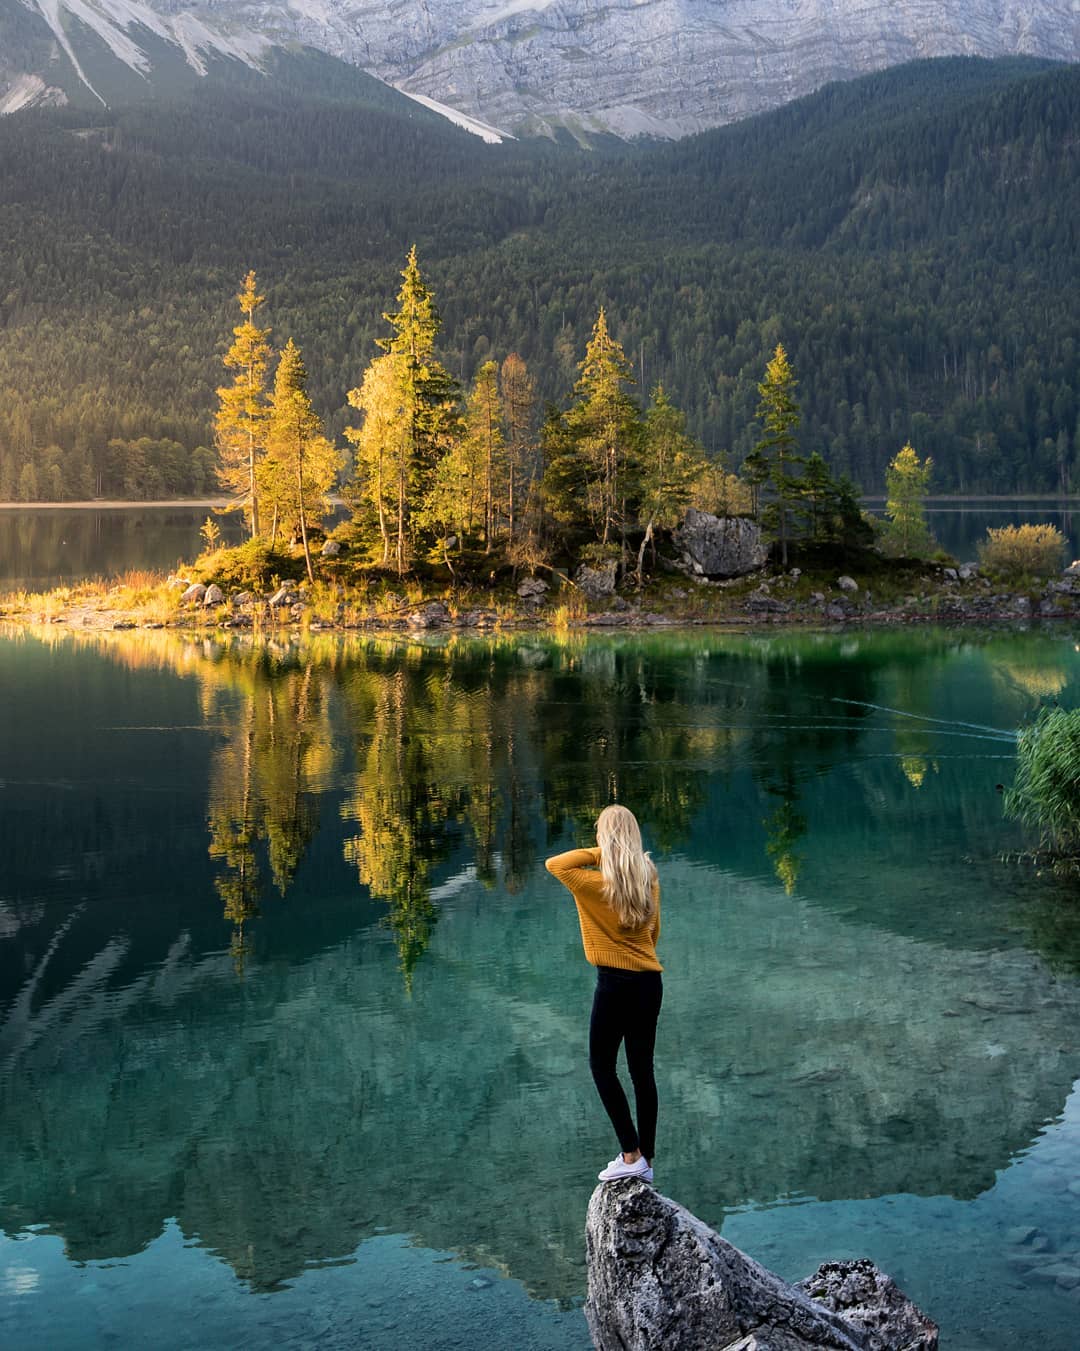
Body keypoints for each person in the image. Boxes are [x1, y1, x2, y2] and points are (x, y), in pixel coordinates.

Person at [545, 804, 663, 1182]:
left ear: (604, 837)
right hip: (649, 983)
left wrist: (603, 852)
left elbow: (556, 864)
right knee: (642, 1072)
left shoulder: (592, 884)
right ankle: (647, 1159)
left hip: (614, 984)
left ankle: (631, 1156)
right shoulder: (649, 878)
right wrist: (624, 854)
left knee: (602, 1066)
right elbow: (654, 935)